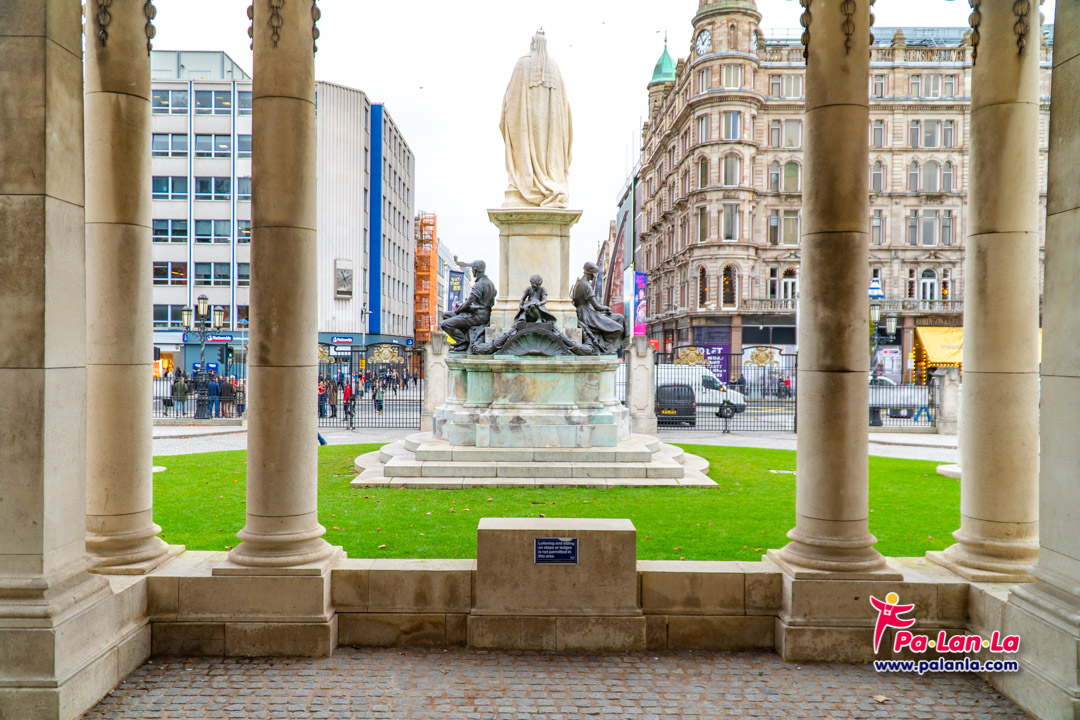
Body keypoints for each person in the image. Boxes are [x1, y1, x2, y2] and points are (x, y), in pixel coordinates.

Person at [499, 30, 572, 208]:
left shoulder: (522, 63)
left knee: (525, 147)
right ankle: (548, 179)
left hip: (527, 125)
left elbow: (511, 98)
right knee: (546, 151)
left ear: (532, 44)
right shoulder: (554, 67)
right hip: (551, 129)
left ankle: (529, 180)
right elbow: (564, 108)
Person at [440, 260, 497, 351]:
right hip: (481, 313)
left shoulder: (479, 284)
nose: (472, 271)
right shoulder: (490, 283)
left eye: (472, 269)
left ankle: (463, 342)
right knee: (446, 315)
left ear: (475, 270)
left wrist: (458, 310)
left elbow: (469, 302)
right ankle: (463, 338)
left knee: (445, 324)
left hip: (478, 316)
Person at [571, 262, 628, 354]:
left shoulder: (578, 282)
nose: (595, 277)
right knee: (619, 329)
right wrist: (606, 308)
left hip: (585, 312)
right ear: (591, 273)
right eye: (594, 274)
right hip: (588, 315)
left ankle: (607, 346)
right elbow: (597, 307)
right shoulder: (586, 285)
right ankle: (604, 347)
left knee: (620, 318)